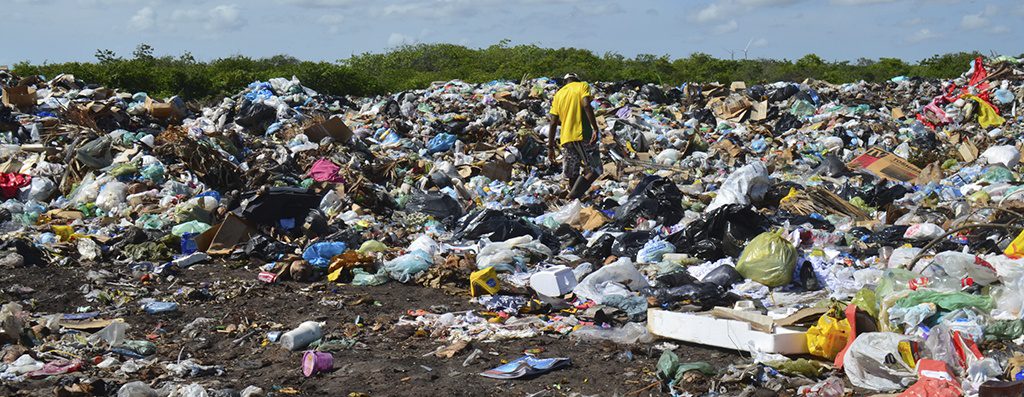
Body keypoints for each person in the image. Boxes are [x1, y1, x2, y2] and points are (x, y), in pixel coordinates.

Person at [548, 73, 601, 199]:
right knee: (596, 169)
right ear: (576, 79)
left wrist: (550, 147)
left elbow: (553, 121)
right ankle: (572, 196)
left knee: (573, 173)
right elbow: (586, 104)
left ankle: (573, 203)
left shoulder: (559, 94)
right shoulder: (582, 86)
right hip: (582, 134)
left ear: (565, 82)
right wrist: (595, 127)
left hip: (566, 138)